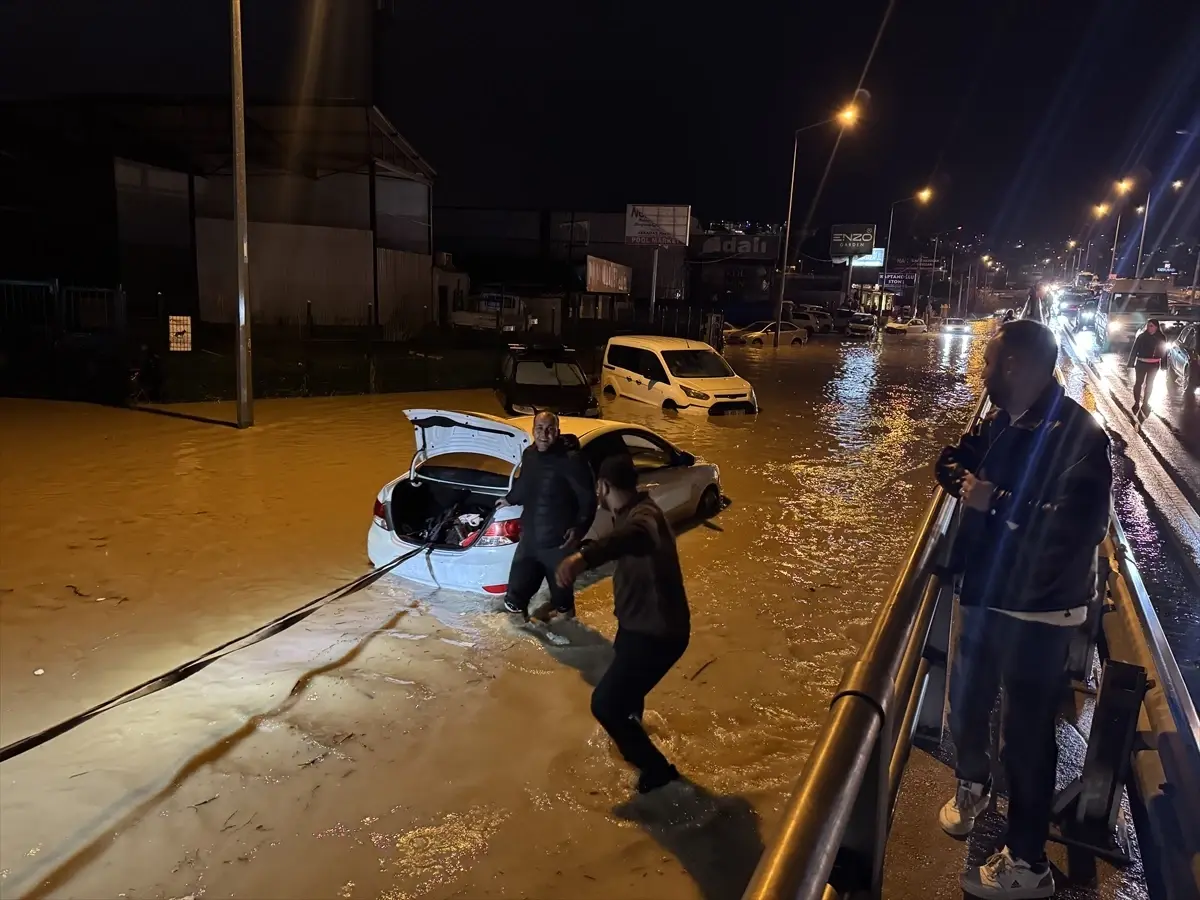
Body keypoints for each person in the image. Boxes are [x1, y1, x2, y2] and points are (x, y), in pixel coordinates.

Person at [935, 319, 1112, 899]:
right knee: (967, 701)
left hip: (1037, 610)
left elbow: (1079, 526)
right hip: (990, 592)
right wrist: (964, 479)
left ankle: (1029, 863)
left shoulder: (1081, 436)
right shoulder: (1003, 420)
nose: (982, 369)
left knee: (1027, 738)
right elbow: (955, 457)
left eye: (989, 359)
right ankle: (974, 785)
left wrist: (996, 501)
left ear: (1016, 365)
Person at [556, 454, 691, 795]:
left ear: (603, 487)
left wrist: (582, 559)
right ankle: (632, 732)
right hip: (637, 627)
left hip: (658, 633)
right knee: (624, 699)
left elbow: (632, 536)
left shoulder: (644, 518)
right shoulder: (632, 511)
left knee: (604, 704)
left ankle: (658, 772)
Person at [498, 411, 596, 620]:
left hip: (557, 545)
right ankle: (521, 646)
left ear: (558, 432)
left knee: (562, 601)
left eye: (550, 429)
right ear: (533, 431)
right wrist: (509, 499)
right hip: (530, 541)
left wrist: (579, 528)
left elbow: (588, 500)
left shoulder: (572, 460)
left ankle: (568, 638)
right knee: (514, 597)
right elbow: (525, 483)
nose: (544, 434)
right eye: (540, 429)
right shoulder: (529, 455)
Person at [1127, 319, 1167, 414]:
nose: (1149, 328)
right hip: (1141, 363)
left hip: (1154, 364)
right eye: (1148, 326)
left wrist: (1164, 365)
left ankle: (1145, 403)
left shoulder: (1161, 337)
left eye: (1151, 326)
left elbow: (1164, 352)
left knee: (1150, 384)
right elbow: (1134, 349)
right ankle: (1137, 402)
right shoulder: (1142, 337)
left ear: (1156, 327)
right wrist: (1131, 363)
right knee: (1139, 383)